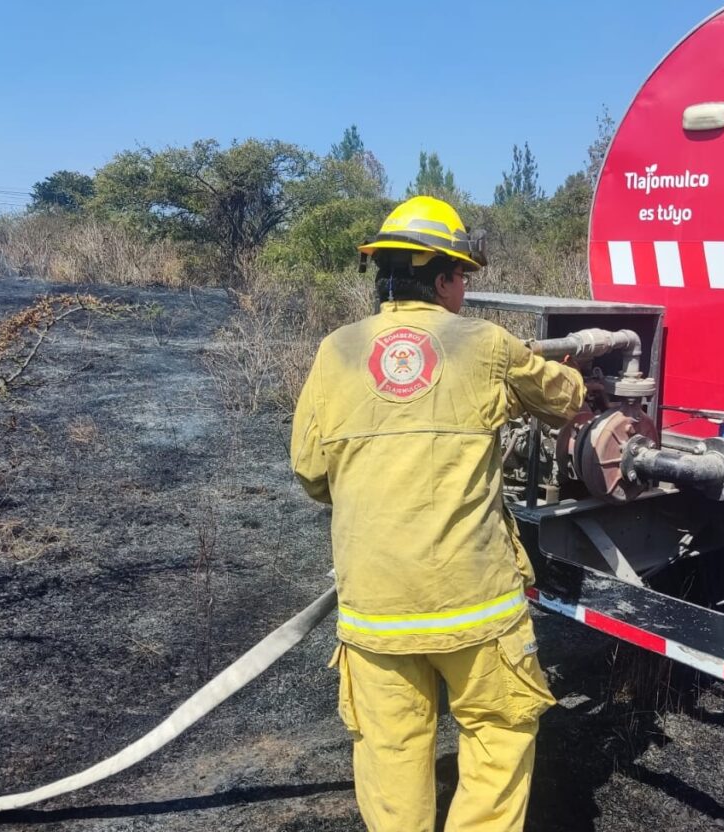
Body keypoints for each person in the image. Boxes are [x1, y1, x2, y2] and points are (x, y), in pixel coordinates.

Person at [290, 195, 585, 831]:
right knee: (500, 733)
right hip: (477, 604)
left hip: (374, 608)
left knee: (391, 752)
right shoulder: (486, 345)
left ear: (384, 274)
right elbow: (562, 400)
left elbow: (312, 473)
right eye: (462, 279)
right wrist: (579, 373)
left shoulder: (334, 352)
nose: (464, 292)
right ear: (445, 276)